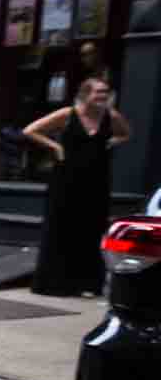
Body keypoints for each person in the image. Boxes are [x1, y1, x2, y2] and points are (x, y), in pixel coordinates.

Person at [24, 77, 132, 297]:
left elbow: (126, 133)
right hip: (65, 179)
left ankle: (87, 283)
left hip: (96, 180)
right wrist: (56, 147)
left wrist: (113, 142)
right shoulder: (67, 114)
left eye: (105, 92)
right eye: (98, 92)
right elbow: (31, 130)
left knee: (91, 229)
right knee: (61, 228)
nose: (103, 97)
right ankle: (55, 283)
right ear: (85, 94)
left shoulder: (110, 116)